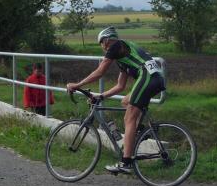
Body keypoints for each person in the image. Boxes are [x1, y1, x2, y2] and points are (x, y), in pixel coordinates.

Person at [66, 26, 165, 174]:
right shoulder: (122, 54)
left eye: (101, 43)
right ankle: (139, 132)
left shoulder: (116, 46)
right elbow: (120, 86)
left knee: (129, 118)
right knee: (125, 102)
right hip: (155, 78)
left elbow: (100, 72)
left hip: (148, 77)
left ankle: (126, 163)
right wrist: (101, 96)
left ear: (106, 40)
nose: (102, 46)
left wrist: (78, 85)